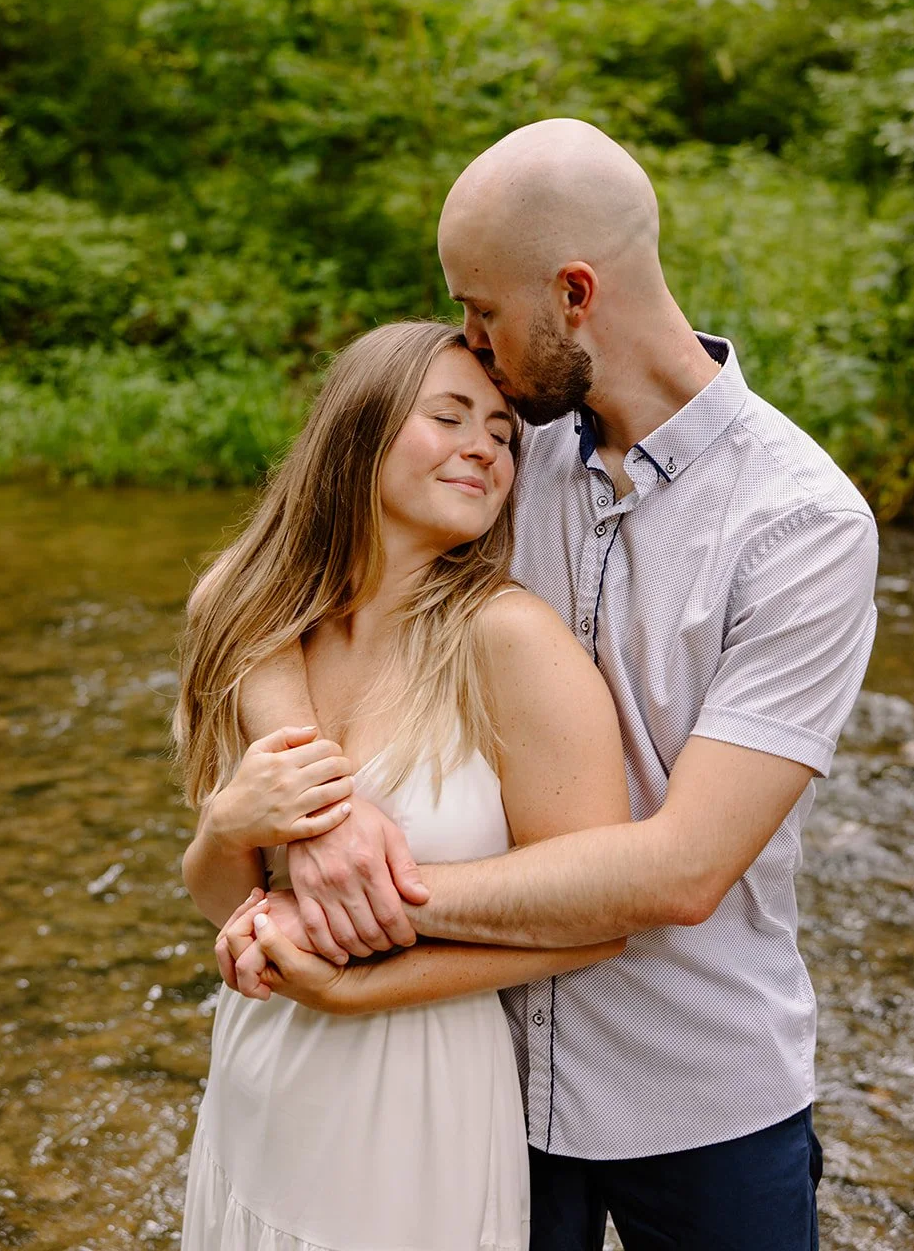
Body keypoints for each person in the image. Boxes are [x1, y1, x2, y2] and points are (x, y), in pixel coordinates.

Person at [234, 120, 880, 1251]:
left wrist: (358, 893)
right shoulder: (497, 451)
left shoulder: (802, 528)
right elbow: (253, 592)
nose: (472, 347)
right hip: (474, 1070)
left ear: (572, 293)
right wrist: (319, 806)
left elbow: (682, 871)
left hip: (696, 1096)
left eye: (482, 313)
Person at [174, 318, 631, 1251]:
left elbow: (598, 923)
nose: (483, 450)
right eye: (448, 417)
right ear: (361, 430)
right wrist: (227, 827)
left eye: (503, 435)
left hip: (420, 1089)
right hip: (260, 1070)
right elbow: (235, 908)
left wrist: (360, 991)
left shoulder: (508, 640)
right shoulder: (260, 628)